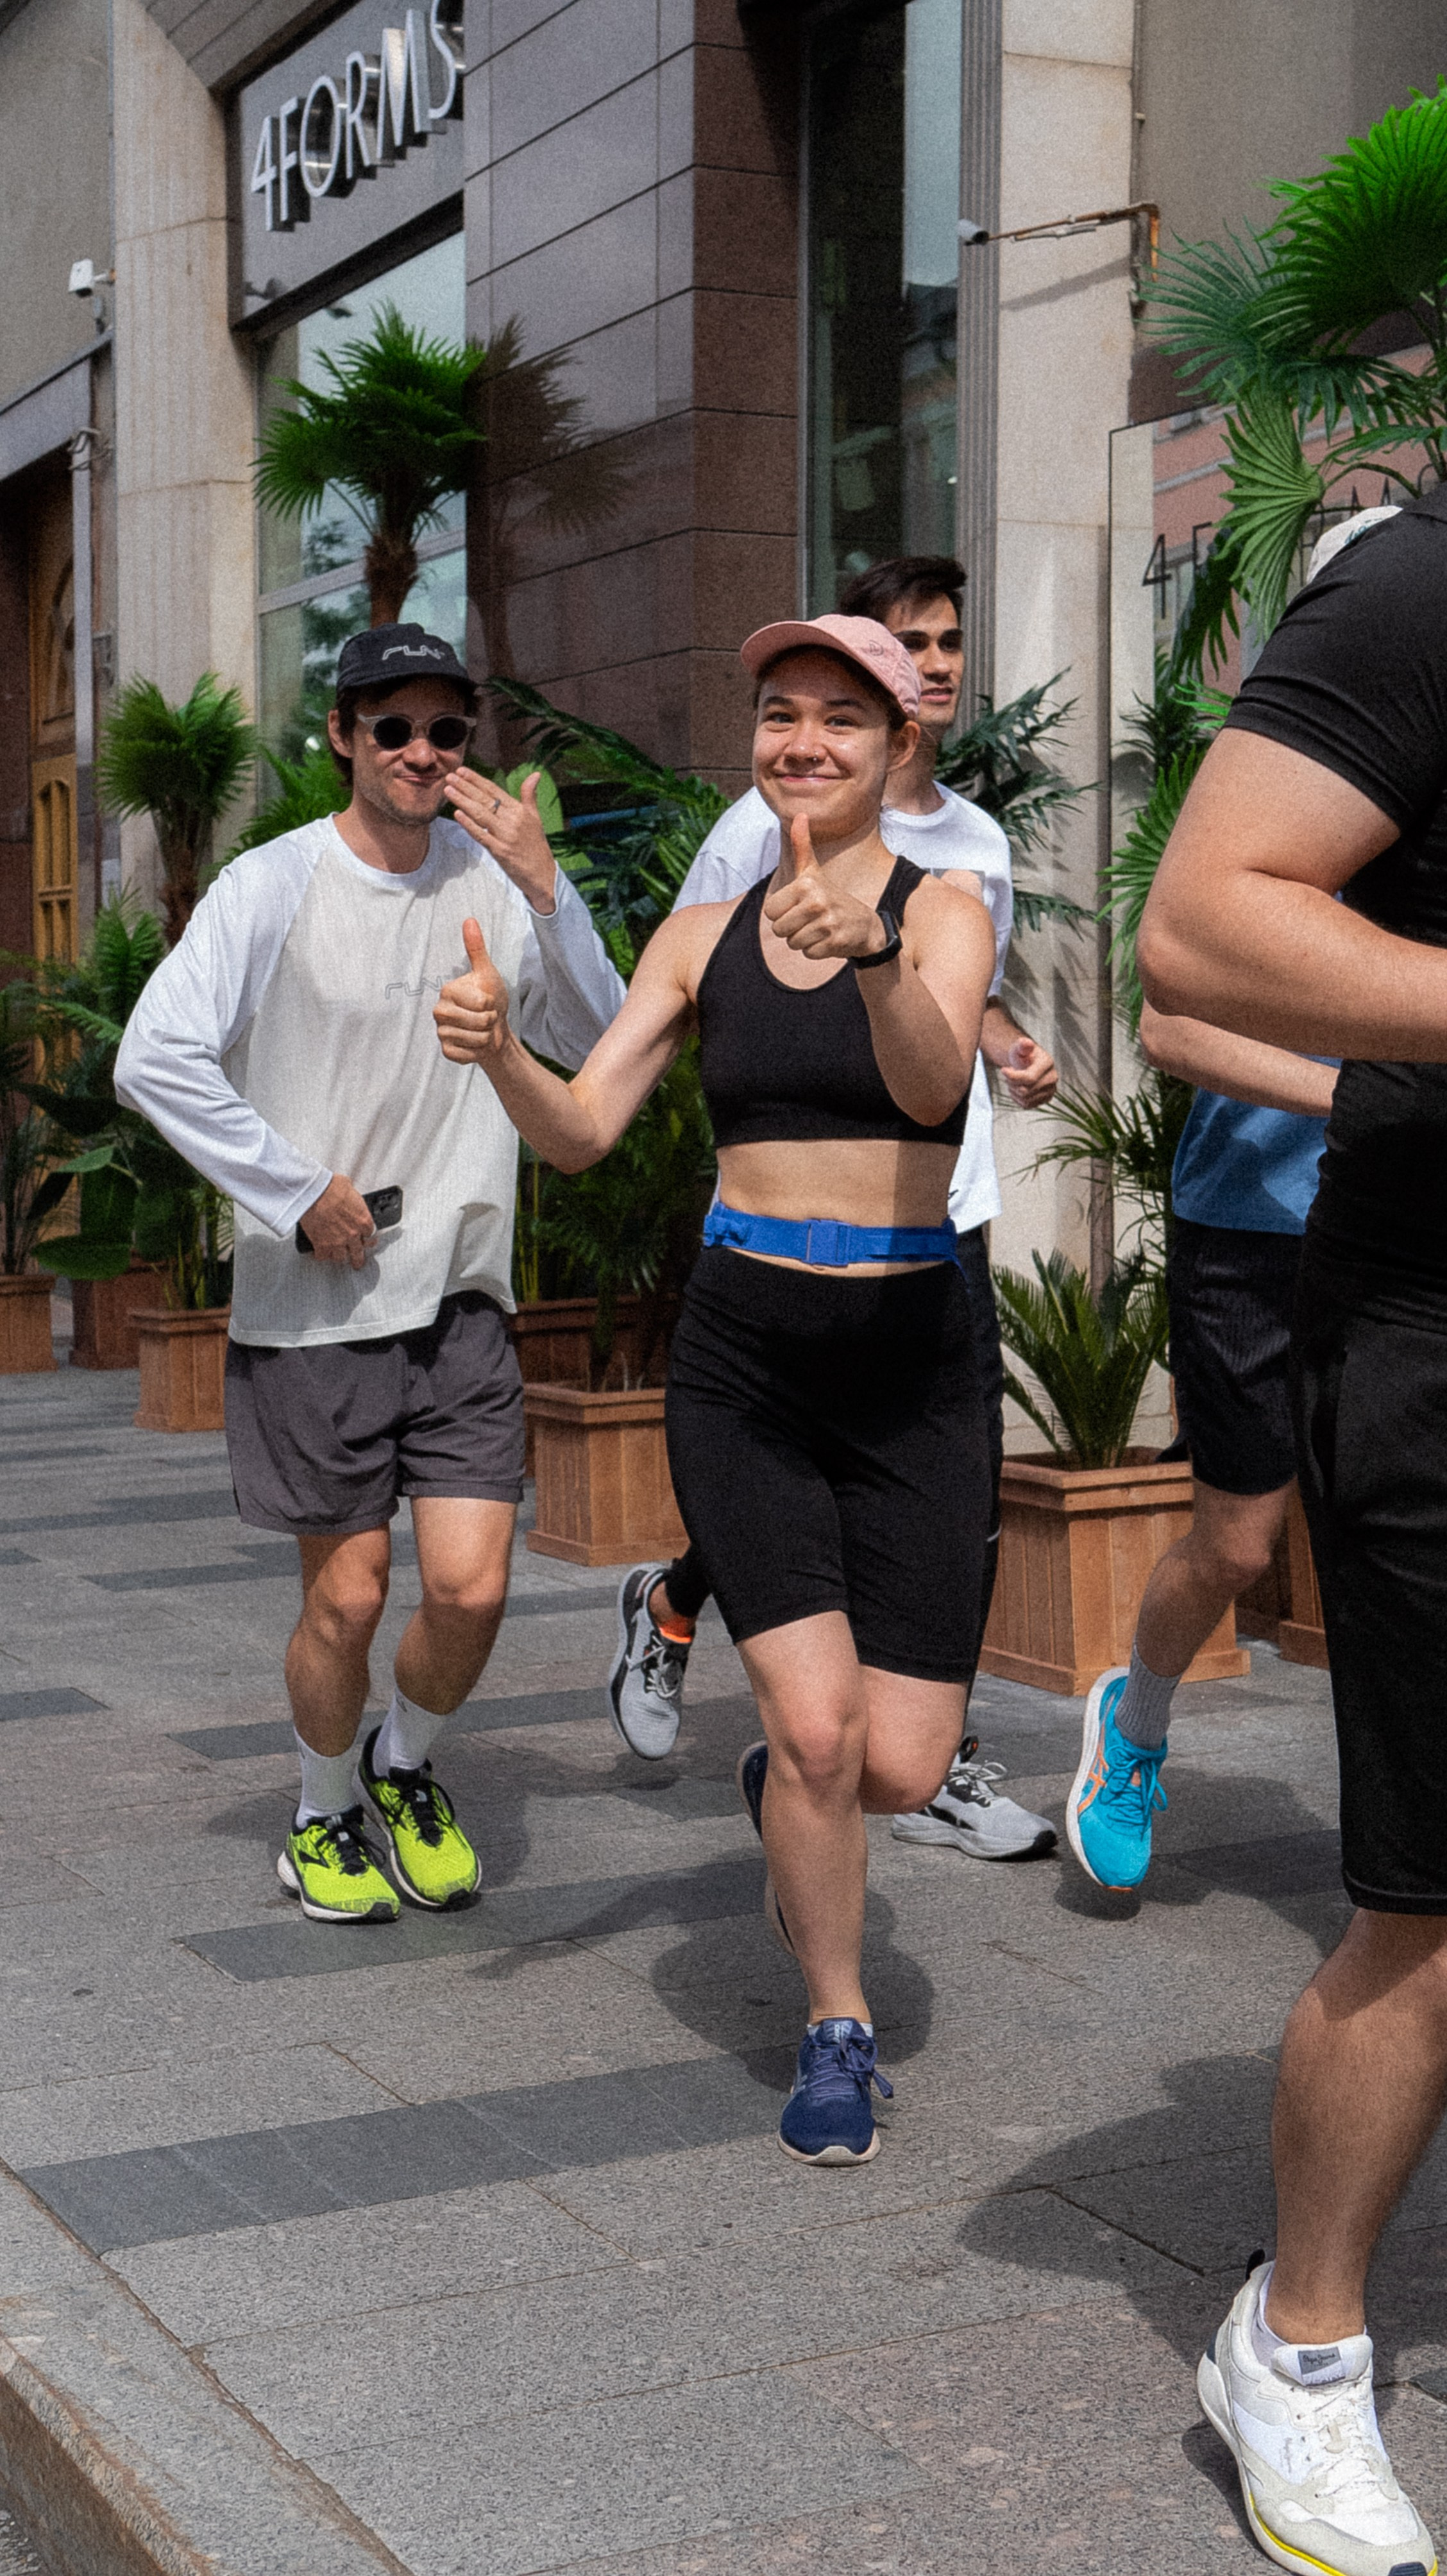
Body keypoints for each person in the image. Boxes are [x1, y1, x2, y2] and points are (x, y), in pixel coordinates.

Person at [435, 613, 996, 2164]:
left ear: (898, 749)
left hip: (914, 1364)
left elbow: (934, 1081)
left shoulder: (948, 909)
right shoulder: (700, 937)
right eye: (778, 716)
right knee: (821, 1735)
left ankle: (789, 1788)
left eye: (840, 720)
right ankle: (836, 2022)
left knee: (899, 1761)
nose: (802, 741)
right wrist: (496, 1056)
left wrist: (868, 950)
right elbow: (582, 1128)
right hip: (748, 1355)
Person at [115, 623, 624, 1927]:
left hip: (458, 1289)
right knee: (347, 1597)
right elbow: (156, 1054)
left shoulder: (497, 883)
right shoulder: (271, 884)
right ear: (342, 735)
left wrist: (547, 885)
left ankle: (403, 1765)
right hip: (320, 1308)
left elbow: (604, 1038)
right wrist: (295, 1192)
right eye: (389, 726)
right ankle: (319, 1805)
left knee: (473, 1584)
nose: (419, 750)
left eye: (445, 731)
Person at [1138, 489, 1447, 2576]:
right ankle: (1299, 2345)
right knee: (1428, 1898)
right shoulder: (1419, 583)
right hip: (1421, 1324)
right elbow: (1198, 928)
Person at [606, 556, 1059, 1868]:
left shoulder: (970, 854)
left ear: (907, 717)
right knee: (820, 1709)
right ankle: (811, 1751)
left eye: (944, 645)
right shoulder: (756, 834)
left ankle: (878, 1757)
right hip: (766, 1255)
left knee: (894, 1660)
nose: (936, 660)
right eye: (910, 640)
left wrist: (997, 1035)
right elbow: (682, 996)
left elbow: (949, 1022)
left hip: (937, 1221)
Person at [1067, 1010, 1335, 1892]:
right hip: (1247, 1227)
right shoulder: (1252, 868)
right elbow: (1168, 1029)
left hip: (1401, 1234)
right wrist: (1356, 1093)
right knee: (1235, 1549)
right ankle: (1133, 1728)